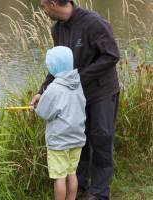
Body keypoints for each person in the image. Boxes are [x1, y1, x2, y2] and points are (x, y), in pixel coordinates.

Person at [31, 0, 120, 200]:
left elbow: (112, 55)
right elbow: (58, 66)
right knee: (78, 139)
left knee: (101, 138)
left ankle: (99, 192)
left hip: (101, 92)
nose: (43, 11)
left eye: (43, 6)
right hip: (75, 96)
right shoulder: (58, 30)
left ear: (53, 3)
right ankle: (78, 187)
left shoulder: (94, 23)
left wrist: (79, 78)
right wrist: (42, 90)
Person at [35, 46, 86, 200]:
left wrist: (36, 107)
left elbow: (44, 113)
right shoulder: (77, 83)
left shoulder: (54, 88)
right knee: (72, 174)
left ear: (54, 66)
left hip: (59, 142)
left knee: (59, 178)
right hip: (77, 139)